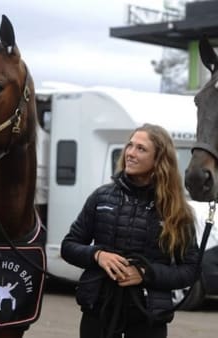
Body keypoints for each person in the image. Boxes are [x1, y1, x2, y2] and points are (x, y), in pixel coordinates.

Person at [61, 123, 200, 338]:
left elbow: (190, 270)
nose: (130, 153)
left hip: (148, 317)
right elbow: (68, 246)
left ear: (159, 161)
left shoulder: (177, 211)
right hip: (99, 310)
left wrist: (146, 273)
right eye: (130, 146)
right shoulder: (101, 197)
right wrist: (98, 255)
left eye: (141, 149)